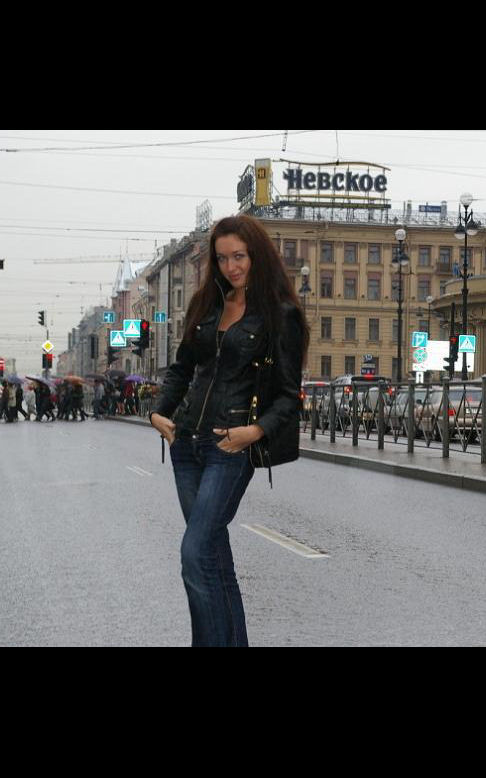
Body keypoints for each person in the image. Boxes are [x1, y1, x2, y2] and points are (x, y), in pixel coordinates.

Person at [150, 214, 309, 648]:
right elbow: (182, 369)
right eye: (222, 259)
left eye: (239, 256)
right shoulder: (207, 306)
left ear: (256, 254)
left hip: (229, 447)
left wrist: (253, 432)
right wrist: (158, 413)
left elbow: (288, 396)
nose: (231, 267)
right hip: (186, 445)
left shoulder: (280, 315)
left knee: (194, 553)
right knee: (213, 561)